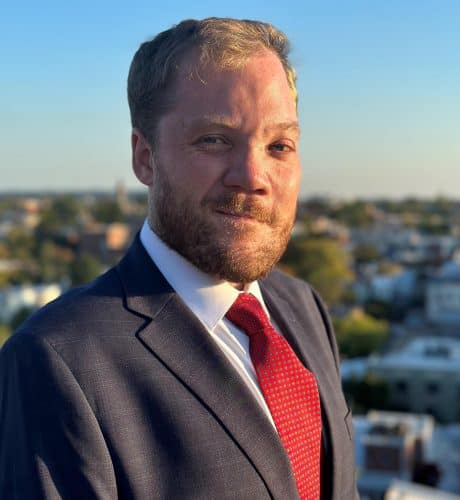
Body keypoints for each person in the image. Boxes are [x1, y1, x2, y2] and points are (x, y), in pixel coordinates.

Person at [0, 17, 358, 499]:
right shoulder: (56, 360)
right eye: (214, 140)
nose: (253, 176)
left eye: (279, 146)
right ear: (145, 157)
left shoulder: (304, 308)